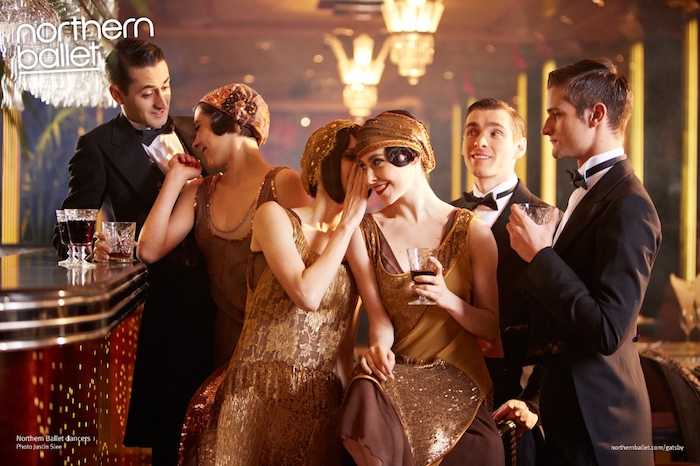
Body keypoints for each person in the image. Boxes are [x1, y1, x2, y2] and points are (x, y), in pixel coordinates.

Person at [51, 38, 218, 466]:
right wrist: (92, 242)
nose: (162, 100)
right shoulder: (97, 146)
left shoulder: (196, 131)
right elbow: (72, 222)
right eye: (147, 92)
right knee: (174, 422)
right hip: (163, 300)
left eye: (165, 85)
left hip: (222, 289)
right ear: (117, 95)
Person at [505, 58, 662, 465]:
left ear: (596, 115)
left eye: (556, 114)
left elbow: (609, 330)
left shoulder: (629, 205)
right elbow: (565, 319)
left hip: (603, 427)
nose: (545, 128)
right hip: (566, 416)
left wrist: (540, 256)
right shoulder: (587, 194)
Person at [195, 119, 367, 465]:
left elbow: (344, 337)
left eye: (367, 162)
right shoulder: (274, 215)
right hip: (259, 391)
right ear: (321, 162)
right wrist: (347, 223)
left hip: (320, 400)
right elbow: (307, 295)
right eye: (353, 159)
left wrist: (347, 400)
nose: (363, 172)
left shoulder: (357, 240)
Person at [339, 110, 504, 466]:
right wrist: (379, 348)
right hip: (399, 377)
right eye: (363, 167)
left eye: (377, 163)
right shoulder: (362, 232)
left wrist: (447, 298)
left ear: (413, 155)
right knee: (363, 392)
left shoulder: (473, 231)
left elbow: (491, 328)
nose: (369, 178)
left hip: (460, 383)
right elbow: (378, 318)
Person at [135, 82, 310, 369]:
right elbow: (149, 250)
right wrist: (175, 179)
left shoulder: (284, 183)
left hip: (278, 348)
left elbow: (308, 270)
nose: (195, 141)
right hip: (223, 344)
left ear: (230, 124)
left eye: (199, 127)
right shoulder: (199, 191)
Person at [452, 98, 544, 465]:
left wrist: (533, 402)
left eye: (495, 132)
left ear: (520, 146)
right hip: (449, 388)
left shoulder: (546, 220)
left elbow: (558, 324)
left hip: (511, 397)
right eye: (472, 131)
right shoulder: (444, 216)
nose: (480, 141)